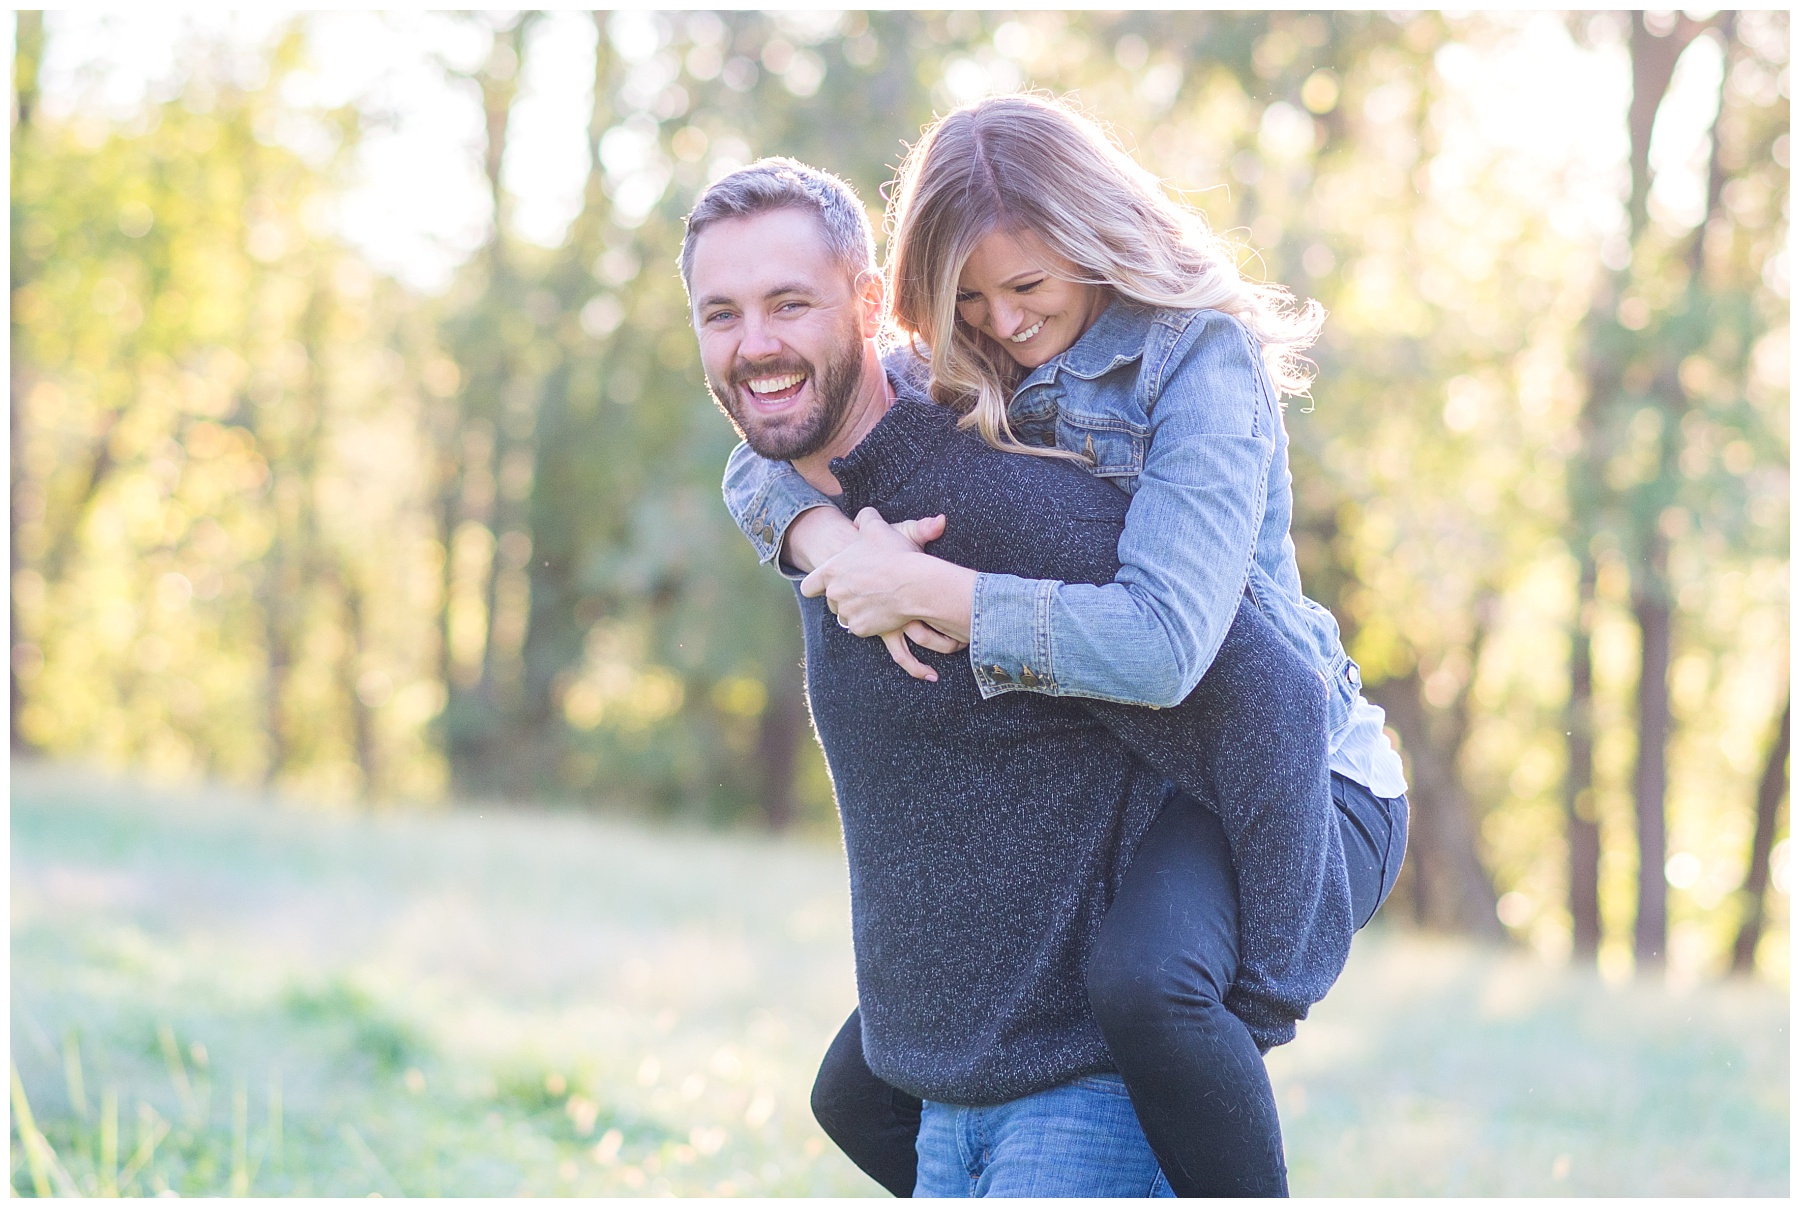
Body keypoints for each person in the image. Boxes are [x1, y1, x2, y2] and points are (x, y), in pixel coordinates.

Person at [719, 97, 1409, 1197]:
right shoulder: (961, 354)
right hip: (1160, 755)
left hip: (1295, 770)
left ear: (1095, 241)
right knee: (865, 1079)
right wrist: (827, 538)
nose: (1002, 322)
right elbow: (779, 438)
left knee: (1148, 986)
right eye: (968, 298)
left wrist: (935, 591)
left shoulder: (1198, 361)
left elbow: (1169, 648)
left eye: (1028, 287)